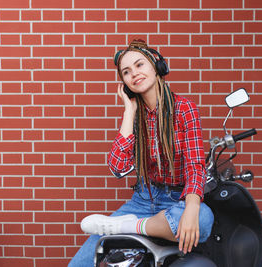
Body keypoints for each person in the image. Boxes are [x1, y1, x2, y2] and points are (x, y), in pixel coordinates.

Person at [68, 40, 214, 267]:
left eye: (139, 65)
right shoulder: (135, 117)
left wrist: (192, 206)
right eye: (127, 72)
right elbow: (118, 168)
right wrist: (129, 111)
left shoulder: (184, 108)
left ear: (157, 68)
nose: (134, 74)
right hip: (143, 201)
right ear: (124, 83)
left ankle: (127, 227)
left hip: (178, 200)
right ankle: (135, 225)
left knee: (203, 219)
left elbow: (195, 165)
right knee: (79, 264)